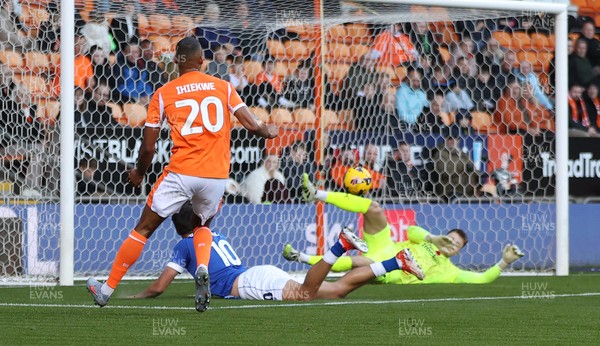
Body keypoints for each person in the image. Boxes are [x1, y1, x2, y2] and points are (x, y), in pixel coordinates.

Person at [86, 37, 279, 313]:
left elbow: (149, 146)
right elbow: (251, 124)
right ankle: (202, 268)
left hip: (182, 171)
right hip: (215, 176)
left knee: (143, 229)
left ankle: (105, 290)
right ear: (202, 61)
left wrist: (139, 173)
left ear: (177, 60)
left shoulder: (164, 93)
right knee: (202, 226)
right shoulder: (223, 87)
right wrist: (267, 130)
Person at [130, 202, 424, 300]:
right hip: (255, 275)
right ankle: (395, 262)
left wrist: (133, 296)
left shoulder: (184, 244)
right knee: (334, 292)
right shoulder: (210, 233)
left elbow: (158, 287)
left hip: (248, 284)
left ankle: (340, 245)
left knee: (306, 294)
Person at [284, 173, 525, 284]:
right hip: (387, 246)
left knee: (361, 262)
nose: (450, 243)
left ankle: (302, 257)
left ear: (459, 251)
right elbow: (410, 231)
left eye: (455, 244)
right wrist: (433, 237)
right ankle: (316, 193)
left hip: (394, 270)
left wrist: (504, 262)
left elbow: (482, 279)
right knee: (375, 208)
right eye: (450, 238)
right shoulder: (428, 240)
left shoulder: (450, 272)